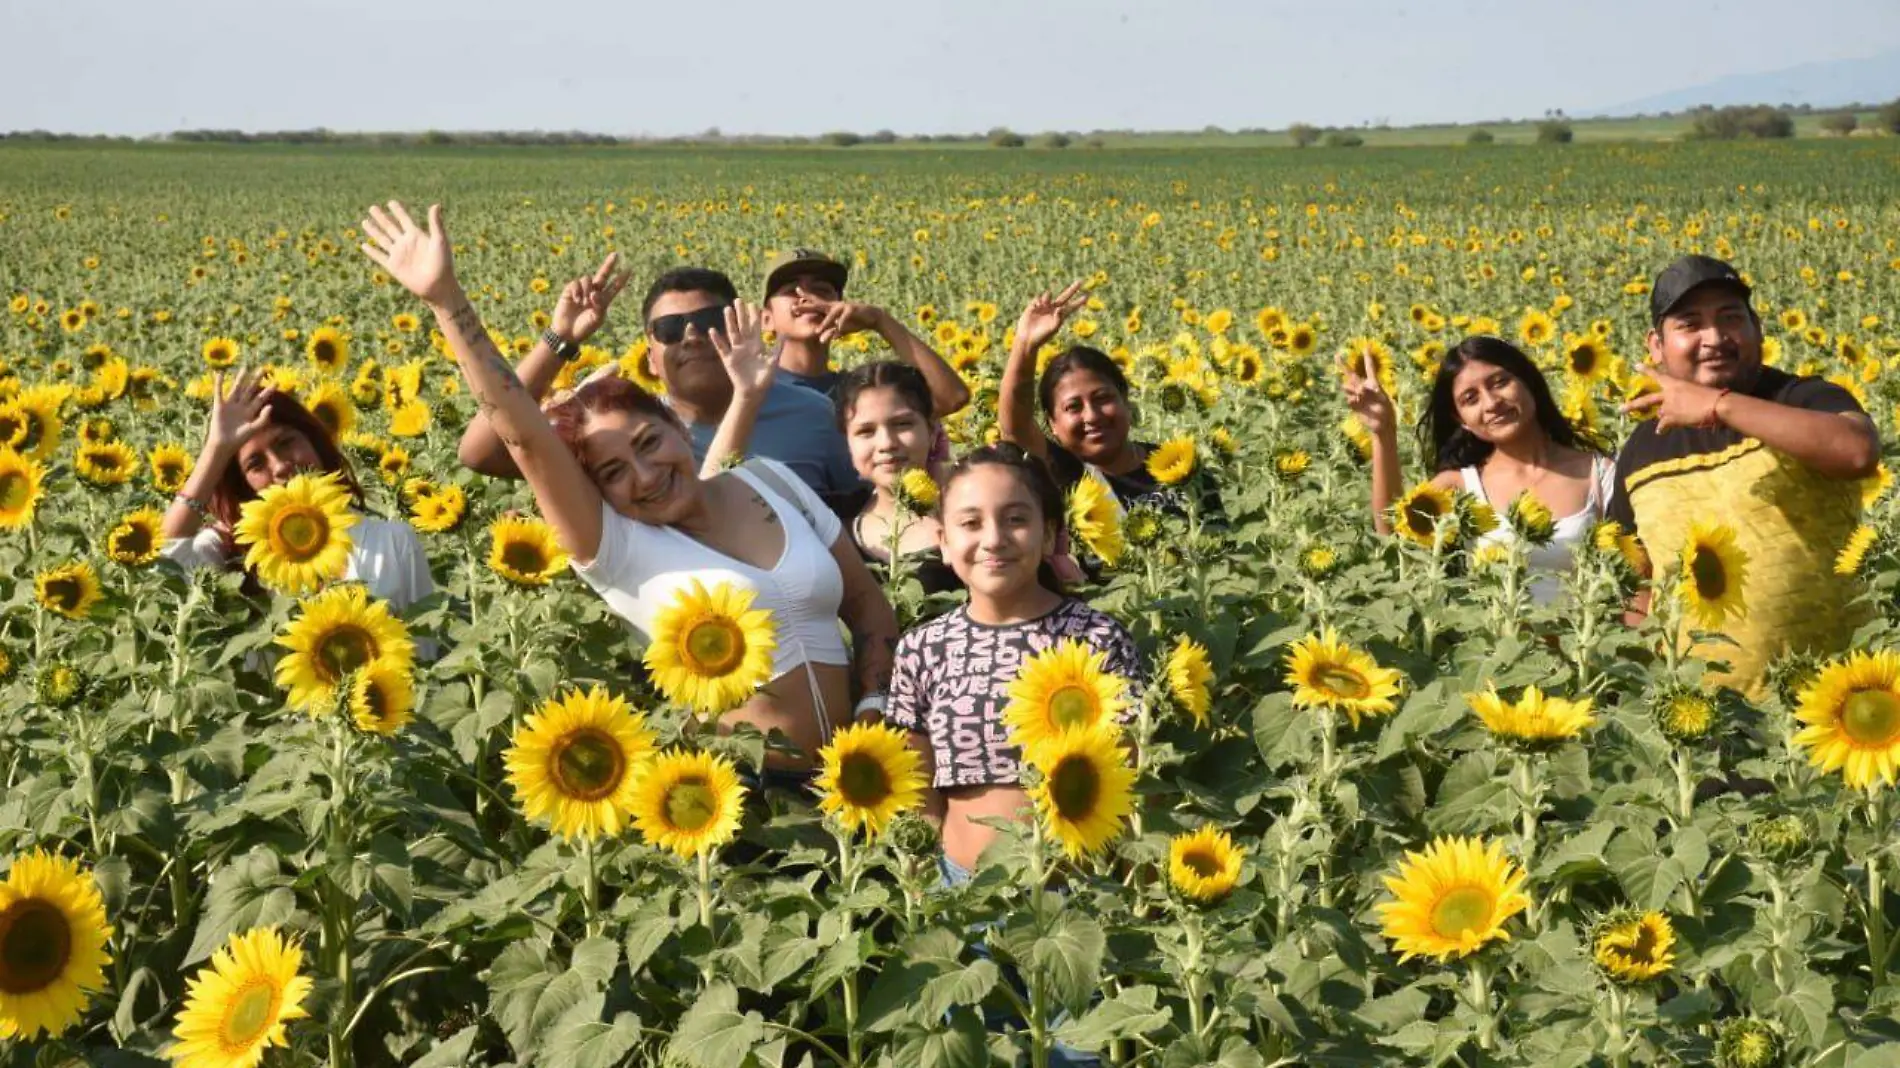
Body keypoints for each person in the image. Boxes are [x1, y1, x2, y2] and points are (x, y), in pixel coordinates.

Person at [361, 200, 898, 787]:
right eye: (612, 473)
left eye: (648, 443)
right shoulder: (617, 546)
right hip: (740, 806)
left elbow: (869, 609)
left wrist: (875, 706)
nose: (643, 476)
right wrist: (447, 302)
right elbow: (520, 434)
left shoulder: (769, 480)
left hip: (857, 783)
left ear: (676, 429)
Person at [1609, 254, 1880, 696]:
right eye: (1690, 324)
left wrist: (1719, 405)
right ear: (1656, 346)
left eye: (1730, 318)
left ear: (1757, 329)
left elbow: (1856, 452)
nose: (1714, 337)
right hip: (1702, 731)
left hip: (1837, 708)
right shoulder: (1642, 447)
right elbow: (1635, 571)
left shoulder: (1802, 398)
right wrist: (1647, 666)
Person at [883, 444, 1142, 878]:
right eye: (970, 523)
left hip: (1075, 889)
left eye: (1016, 519)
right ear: (944, 543)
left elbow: (1131, 771)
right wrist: (922, 878)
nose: (994, 539)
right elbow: (917, 786)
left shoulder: (1096, 638)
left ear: (1047, 535)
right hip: (961, 889)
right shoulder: (923, 648)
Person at [460, 262, 862, 503]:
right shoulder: (625, 432)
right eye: (669, 328)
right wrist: (560, 338)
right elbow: (481, 452)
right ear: (650, 356)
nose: (690, 335)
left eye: (708, 322)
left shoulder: (813, 415)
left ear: (742, 325)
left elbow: (863, 508)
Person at [1342, 335, 1612, 602]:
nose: (1492, 402)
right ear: (1462, 420)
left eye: (1500, 382)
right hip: (1493, 643)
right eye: (1471, 399)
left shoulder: (1598, 473)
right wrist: (1383, 433)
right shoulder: (1461, 487)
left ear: (1528, 381)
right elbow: (1395, 536)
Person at [160, 368, 434, 610]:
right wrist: (216, 451)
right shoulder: (230, 551)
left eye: (285, 443)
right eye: (256, 464)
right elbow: (164, 561)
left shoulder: (393, 542)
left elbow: (425, 652)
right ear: (242, 484)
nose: (280, 466)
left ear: (313, 440)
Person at [1000, 282, 1216, 517]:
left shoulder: (1181, 466)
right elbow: (1015, 427)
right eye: (1073, 407)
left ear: (1125, 399)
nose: (1092, 415)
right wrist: (1025, 346)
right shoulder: (1059, 475)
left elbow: (1222, 545)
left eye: (1102, 398)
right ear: (1052, 423)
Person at [760, 247, 971, 418]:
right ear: (766, 319)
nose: (807, 298)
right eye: (791, 291)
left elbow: (951, 397)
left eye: (821, 290)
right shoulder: (751, 390)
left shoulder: (859, 392)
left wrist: (879, 320)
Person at [832, 362, 962, 600]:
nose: (886, 444)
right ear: (847, 443)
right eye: (866, 431)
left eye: (902, 424)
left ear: (932, 432)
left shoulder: (972, 521)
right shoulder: (832, 524)